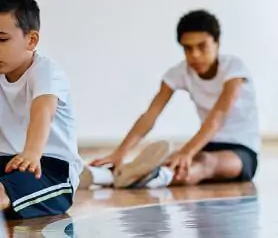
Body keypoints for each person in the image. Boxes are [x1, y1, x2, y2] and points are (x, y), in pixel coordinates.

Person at [82, 10, 260, 189]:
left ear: (217, 43)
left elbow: (218, 117)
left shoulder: (234, 68)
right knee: (170, 160)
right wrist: (120, 152)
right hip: (206, 144)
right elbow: (150, 115)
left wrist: (187, 152)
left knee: (201, 163)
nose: (195, 55)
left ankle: (151, 178)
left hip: (242, 151)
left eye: (202, 46)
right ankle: (108, 176)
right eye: (187, 49)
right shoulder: (179, 72)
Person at [0, 0, 83, 219]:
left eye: (1, 39)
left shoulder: (46, 72)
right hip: (7, 162)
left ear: (31, 40)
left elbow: (43, 113)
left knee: (5, 191)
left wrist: (32, 152)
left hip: (47, 168)